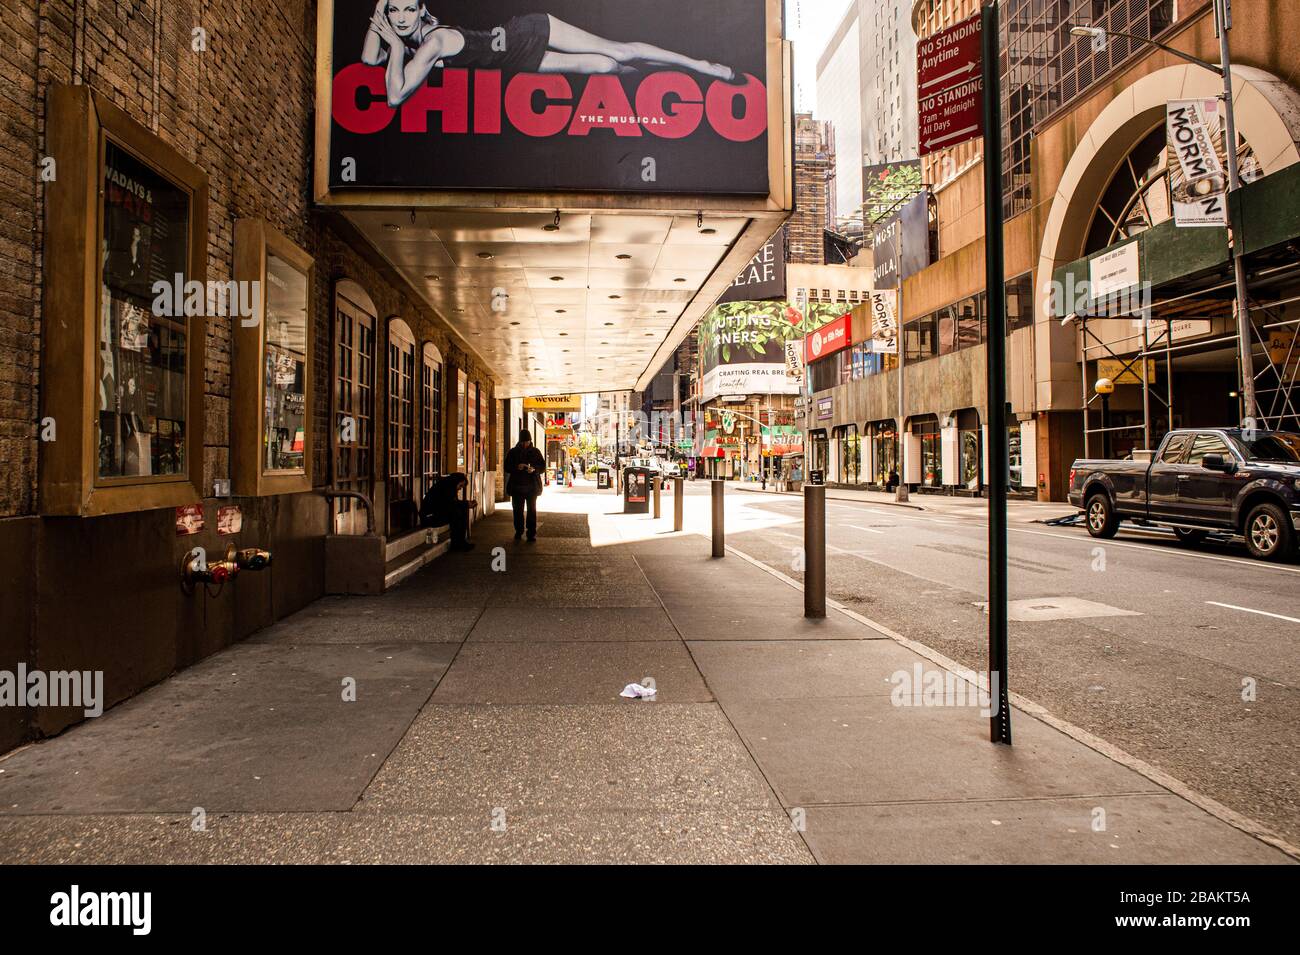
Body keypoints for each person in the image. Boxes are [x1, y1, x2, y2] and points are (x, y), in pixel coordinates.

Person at [362, 1, 738, 109]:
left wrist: (394, 44)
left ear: (421, 9)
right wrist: (383, 24)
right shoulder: (413, 42)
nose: (401, 18)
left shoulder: (430, 44)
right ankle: (671, 77)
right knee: (608, 67)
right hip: (517, 61)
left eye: (408, 9)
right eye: (393, 11)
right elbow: (369, 61)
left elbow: (395, 96)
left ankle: (700, 66)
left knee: (618, 50)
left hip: (528, 31)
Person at [505, 429, 546, 541]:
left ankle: (531, 533)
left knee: (531, 510)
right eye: (523, 442)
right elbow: (507, 467)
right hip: (517, 487)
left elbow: (542, 467)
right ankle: (519, 531)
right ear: (520, 441)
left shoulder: (536, 452)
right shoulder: (513, 452)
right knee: (517, 511)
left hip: (532, 487)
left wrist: (534, 469)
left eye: (527, 442)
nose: (525, 444)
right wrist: (516, 467)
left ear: (530, 440)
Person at [419, 471, 476, 550]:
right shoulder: (446, 487)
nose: (460, 488)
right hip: (429, 517)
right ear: (456, 481)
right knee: (456, 513)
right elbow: (450, 504)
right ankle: (457, 544)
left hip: (437, 514)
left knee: (461, 510)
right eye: (460, 485)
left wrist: (466, 504)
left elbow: (452, 504)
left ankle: (460, 542)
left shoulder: (449, 485)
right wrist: (466, 504)